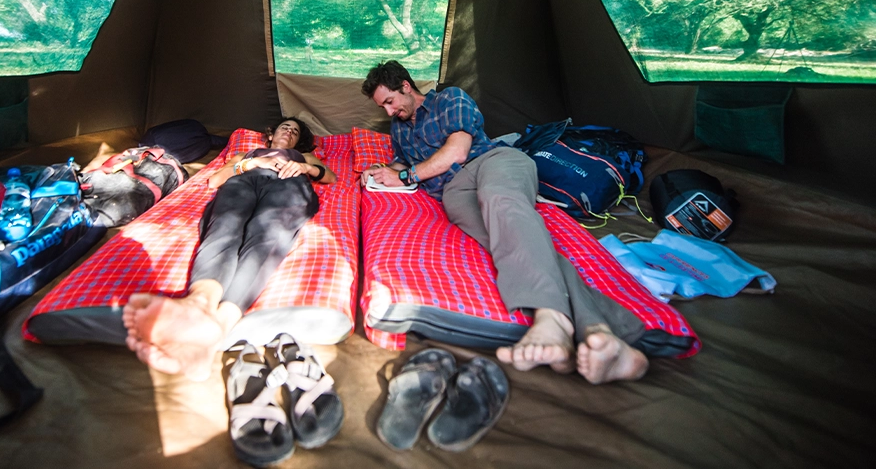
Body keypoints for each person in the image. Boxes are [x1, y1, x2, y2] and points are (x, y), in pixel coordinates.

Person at [360, 61, 649, 384]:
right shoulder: (399, 128)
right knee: (511, 240)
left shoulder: (449, 99)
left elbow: (457, 152)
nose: (389, 112)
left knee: (504, 206)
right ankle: (601, 335)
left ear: (405, 86)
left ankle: (551, 320)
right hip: (454, 191)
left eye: (389, 101)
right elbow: (404, 161)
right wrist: (383, 170)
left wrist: (406, 176)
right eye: (383, 107)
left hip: (491, 162)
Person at [123, 118, 336, 380]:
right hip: (245, 181)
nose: (289, 132)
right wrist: (251, 163)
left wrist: (304, 167)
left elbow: (330, 177)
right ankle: (199, 302)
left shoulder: (302, 157)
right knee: (224, 227)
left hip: (287, 185)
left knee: (268, 235)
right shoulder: (245, 154)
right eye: (284, 127)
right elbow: (215, 181)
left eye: (294, 131)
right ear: (270, 135)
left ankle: (220, 325)